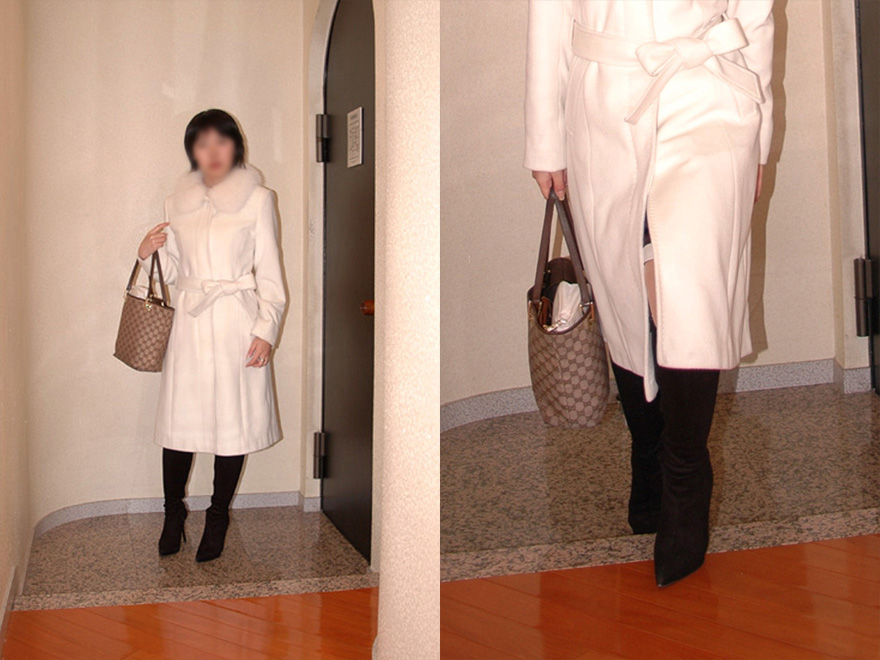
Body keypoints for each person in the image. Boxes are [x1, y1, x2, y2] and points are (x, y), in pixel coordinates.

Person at [525, 1, 774, 586]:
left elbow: (757, 14)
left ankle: (684, 470)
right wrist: (544, 139)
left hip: (711, 97)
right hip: (604, 105)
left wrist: (760, 136)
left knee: (695, 292)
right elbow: (547, 13)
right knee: (623, 296)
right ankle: (648, 445)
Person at [137, 109, 287, 562]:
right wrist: (145, 254)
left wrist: (266, 329)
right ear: (192, 151)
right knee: (178, 426)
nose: (213, 151)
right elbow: (171, 271)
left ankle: (217, 516)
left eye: (221, 141)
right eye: (202, 144)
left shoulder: (258, 199)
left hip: (236, 322)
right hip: (189, 323)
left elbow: (270, 273)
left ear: (235, 145)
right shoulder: (175, 203)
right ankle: (173, 514)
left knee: (231, 424)